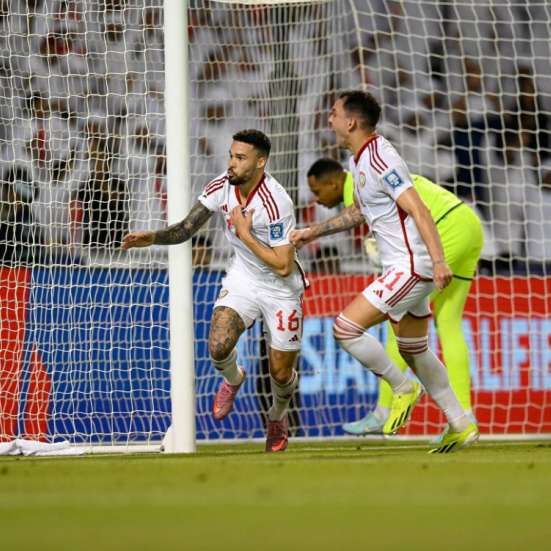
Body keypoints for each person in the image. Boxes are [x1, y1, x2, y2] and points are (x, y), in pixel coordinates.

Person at [290, 90, 479, 453]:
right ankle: (460, 423)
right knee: (414, 349)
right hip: (406, 266)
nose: (329, 119)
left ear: (351, 122)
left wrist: (439, 261)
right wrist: (312, 232)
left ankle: (403, 388)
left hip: (410, 266)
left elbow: (419, 208)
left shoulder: (380, 158)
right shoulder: (360, 160)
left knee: (345, 328)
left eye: (334, 113)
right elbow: (358, 213)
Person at [122, 129, 306, 453]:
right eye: (231, 156)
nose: (231, 163)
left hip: (281, 290)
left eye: (240, 158)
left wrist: (246, 235)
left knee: (280, 372)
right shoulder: (221, 186)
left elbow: (283, 265)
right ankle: (234, 379)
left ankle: (277, 416)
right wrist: (152, 237)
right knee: (218, 346)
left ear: (260, 162)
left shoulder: (277, 202)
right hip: (244, 279)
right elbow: (186, 228)